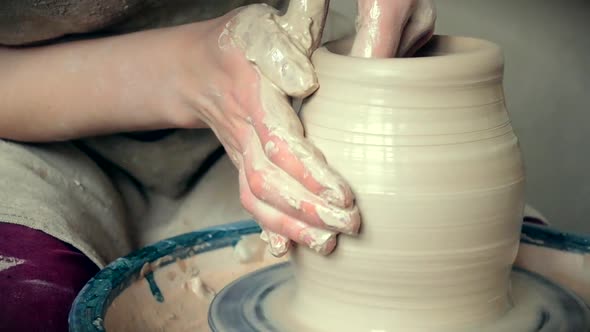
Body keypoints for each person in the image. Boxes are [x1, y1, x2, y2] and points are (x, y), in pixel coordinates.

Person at [0, 0, 436, 330]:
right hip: (29, 126)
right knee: (29, 305)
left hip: (270, 75)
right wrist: (187, 73)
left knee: (404, 251)